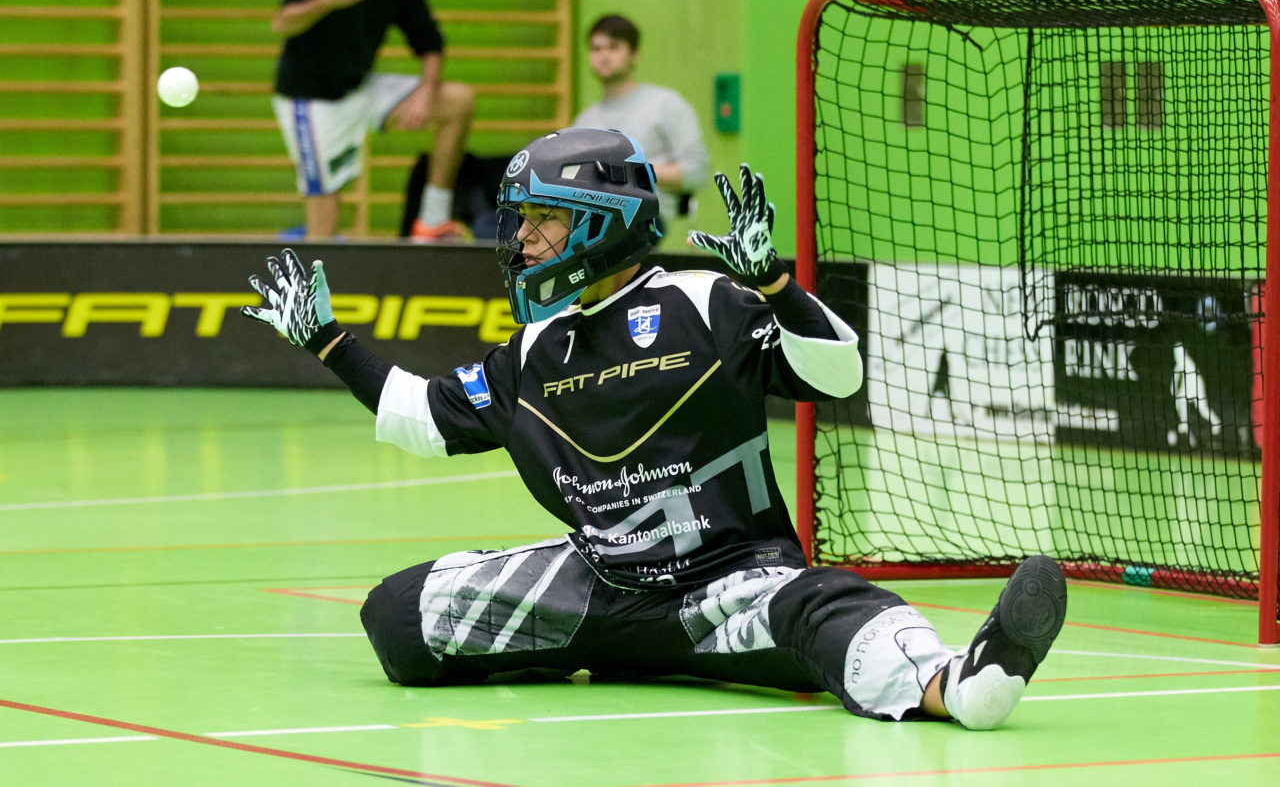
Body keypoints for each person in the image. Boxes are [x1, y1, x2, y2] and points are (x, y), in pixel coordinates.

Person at [241, 127, 1067, 730]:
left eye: (540, 219)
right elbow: (422, 417)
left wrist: (774, 285)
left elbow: (837, 373)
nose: (521, 239)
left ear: (598, 220)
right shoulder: (533, 348)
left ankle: (961, 683)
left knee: (823, 603)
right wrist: (329, 341)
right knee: (398, 615)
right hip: (597, 585)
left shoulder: (706, 303)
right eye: (520, 220)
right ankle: (602, 646)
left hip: (727, 584)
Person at [270, 0, 475, 242]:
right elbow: (282, 23)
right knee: (324, 233)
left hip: (359, 87)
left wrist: (426, 92)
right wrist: (327, 0)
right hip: (311, 99)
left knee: (458, 102)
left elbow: (429, 42)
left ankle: (432, 221)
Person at [573, 14, 711, 230]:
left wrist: (629, 172)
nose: (604, 56)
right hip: (592, 218)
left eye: (614, 47)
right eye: (596, 49)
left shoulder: (665, 104)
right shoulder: (585, 121)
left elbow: (697, 172)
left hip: (648, 218)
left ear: (634, 55)